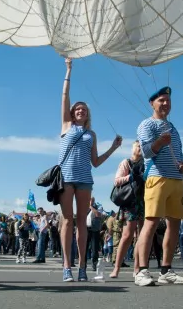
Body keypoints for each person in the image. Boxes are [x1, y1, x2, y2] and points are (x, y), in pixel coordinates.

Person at [58, 58, 122, 282]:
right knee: (67, 221)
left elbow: (95, 162)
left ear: (87, 114)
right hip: (65, 178)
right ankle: (67, 266)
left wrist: (113, 148)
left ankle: (83, 266)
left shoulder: (91, 135)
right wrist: (68, 71)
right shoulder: (66, 126)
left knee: (81, 223)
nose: (80, 111)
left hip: (85, 179)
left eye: (83, 109)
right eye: (77, 109)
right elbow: (64, 97)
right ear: (72, 113)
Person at [134, 86, 183, 286]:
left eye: (168, 100)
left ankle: (166, 270)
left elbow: (179, 153)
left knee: (175, 224)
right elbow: (147, 153)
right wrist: (159, 142)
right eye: (161, 101)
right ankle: (141, 270)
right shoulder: (146, 125)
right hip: (157, 178)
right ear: (152, 103)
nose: (165, 104)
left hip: (176, 179)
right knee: (151, 222)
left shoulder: (173, 127)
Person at [110, 141, 145, 278]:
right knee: (127, 235)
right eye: (138, 146)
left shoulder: (146, 163)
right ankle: (117, 267)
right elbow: (116, 181)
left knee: (142, 236)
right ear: (133, 149)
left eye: (143, 146)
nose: (140, 148)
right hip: (130, 202)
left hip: (143, 201)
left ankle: (137, 268)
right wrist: (130, 177)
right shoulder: (127, 162)